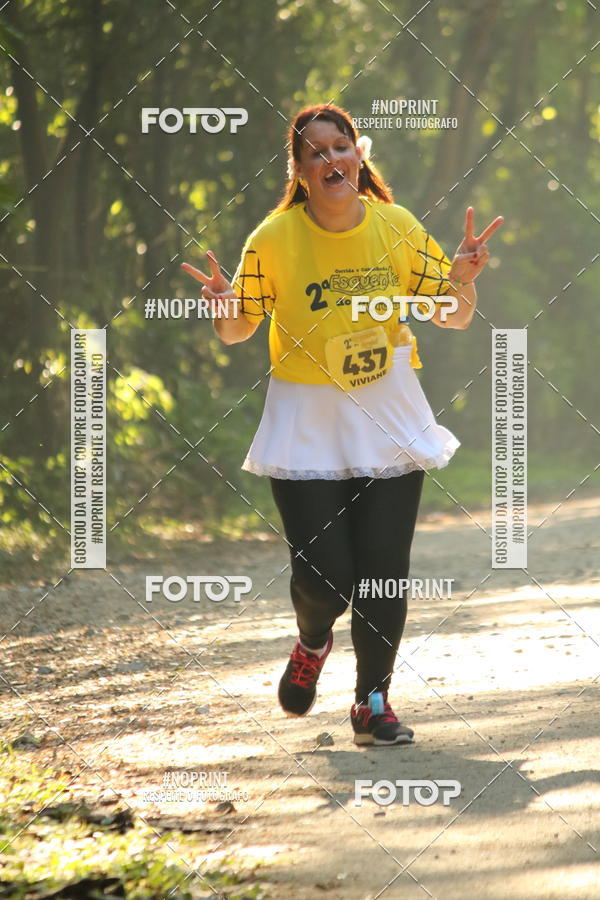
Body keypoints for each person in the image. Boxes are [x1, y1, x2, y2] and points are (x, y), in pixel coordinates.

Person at [182, 103, 503, 746]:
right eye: (316, 151)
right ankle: (312, 639)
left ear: (359, 155)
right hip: (306, 416)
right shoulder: (273, 240)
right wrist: (224, 307)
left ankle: (372, 702)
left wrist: (462, 280)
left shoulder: (396, 227)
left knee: (383, 569)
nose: (332, 158)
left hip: (386, 408)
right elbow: (238, 328)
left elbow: (452, 316)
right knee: (324, 576)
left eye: (342, 146)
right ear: (299, 170)